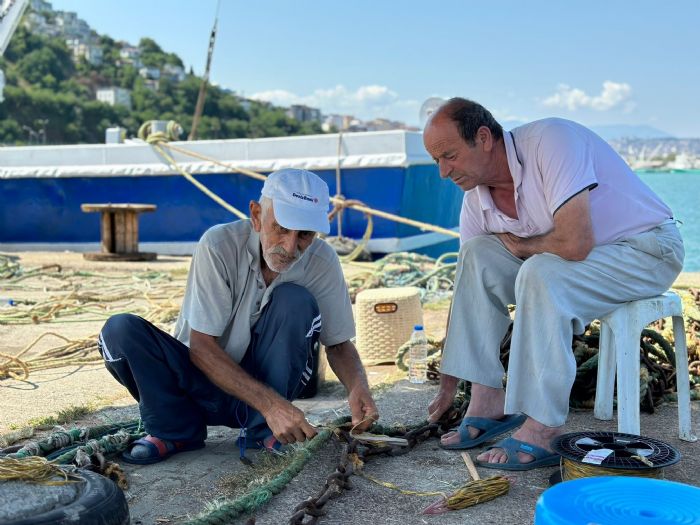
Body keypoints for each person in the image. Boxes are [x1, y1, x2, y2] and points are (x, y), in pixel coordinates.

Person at [423, 97, 684, 471]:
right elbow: (468, 289)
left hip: (646, 250)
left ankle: (543, 427)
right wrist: (448, 384)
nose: (443, 173)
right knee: (477, 256)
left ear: (483, 137)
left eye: (449, 155)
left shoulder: (552, 141)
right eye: (436, 161)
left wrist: (521, 246)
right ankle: (487, 400)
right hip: (584, 263)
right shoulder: (476, 201)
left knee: (541, 270)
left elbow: (575, 243)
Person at [98, 168, 379, 464]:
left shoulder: (322, 261)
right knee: (120, 331)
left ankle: (264, 431)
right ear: (256, 216)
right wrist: (273, 406)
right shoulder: (218, 245)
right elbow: (202, 347)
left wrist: (359, 388)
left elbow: (337, 343)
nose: (290, 246)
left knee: (295, 300)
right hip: (197, 383)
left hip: (266, 389)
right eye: (281, 228)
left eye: (304, 235)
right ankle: (175, 429)